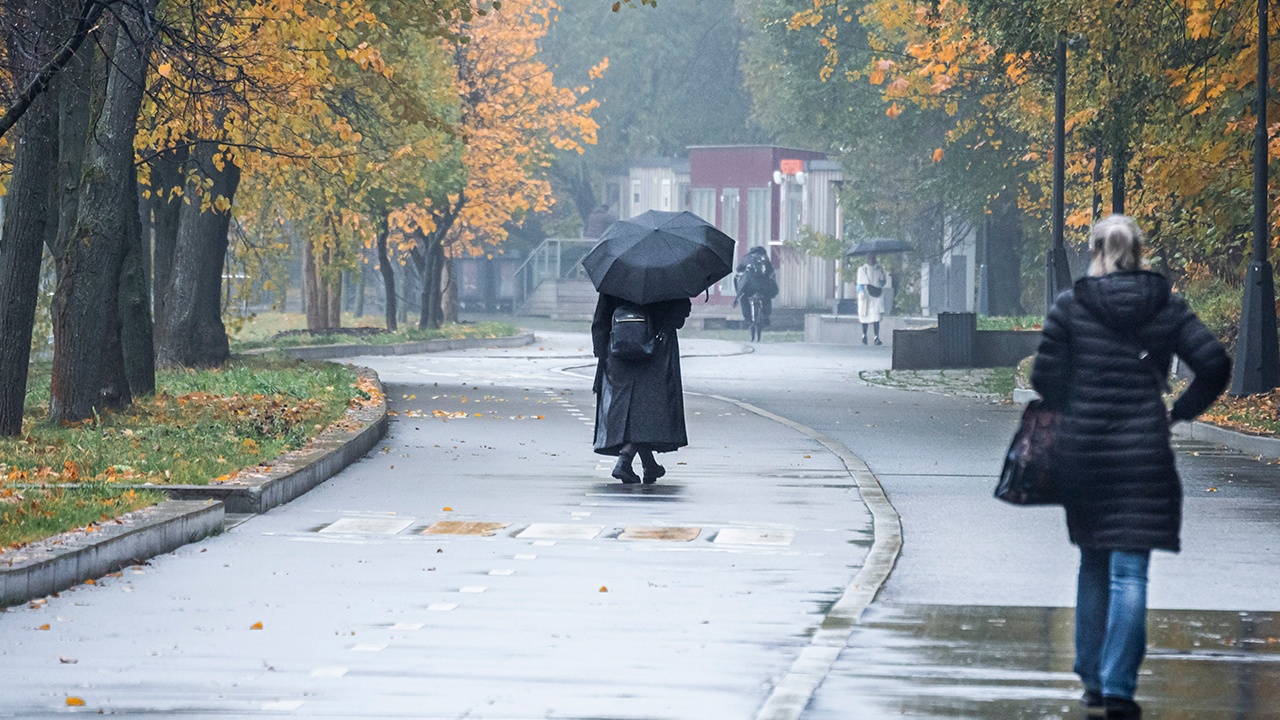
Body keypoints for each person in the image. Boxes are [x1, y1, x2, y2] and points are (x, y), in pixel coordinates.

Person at [1030, 215, 1230, 720]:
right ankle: (1119, 688)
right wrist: (1179, 411)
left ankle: (1092, 678)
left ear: (1095, 251)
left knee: (1094, 561)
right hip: (1144, 451)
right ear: (1139, 251)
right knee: (1131, 572)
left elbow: (1043, 378)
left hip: (1085, 454)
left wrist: (1076, 399)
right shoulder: (1166, 305)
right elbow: (1215, 364)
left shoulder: (1071, 307)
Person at [591, 293, 692, 484]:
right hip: (655, 354)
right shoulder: (667, 280)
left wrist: (601, 352)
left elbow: (601, 319)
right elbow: (678, 318)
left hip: (618, 352)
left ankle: (649, 465)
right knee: (647, 411)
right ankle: (624, 459)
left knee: (628, 410)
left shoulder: (616, 279)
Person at [733, 246, 777, 328]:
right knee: (767, 298)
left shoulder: (747, 258)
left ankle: (748, 319)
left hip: (749, 287)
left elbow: (738, 270)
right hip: (763, 286)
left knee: (743, 298)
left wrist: (737, 295)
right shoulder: (765, 258)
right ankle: (766, 317)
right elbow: (771, 272)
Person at [856, 254, 889, 344]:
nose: (872, 259)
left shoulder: (880, 269)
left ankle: (876, 337)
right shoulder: (862, 269)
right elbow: (859, 283)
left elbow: (882, 283)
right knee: (865, 316)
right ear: (867, 258)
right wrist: (861, 292)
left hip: (876, 295)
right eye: (870, 257)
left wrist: (882, 279)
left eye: (873, 257)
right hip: (866, 295)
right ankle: (864, 335)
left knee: (876, 317)